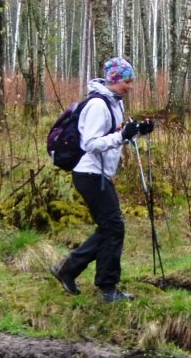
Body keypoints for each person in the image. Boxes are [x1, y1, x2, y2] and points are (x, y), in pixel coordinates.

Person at [51, 57, 154, 303]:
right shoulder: (98, 105)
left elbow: (115, 135)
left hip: (99, 175)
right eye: (127, 81)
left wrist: (138, 130)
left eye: (131, 81)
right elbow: (91, 143)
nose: (130, 86)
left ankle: (68, 269)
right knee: (114, 227)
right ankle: (107, 287)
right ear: (115, 80)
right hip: (89, 174)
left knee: (110, 227)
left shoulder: (114, 103)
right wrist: (121, 137)